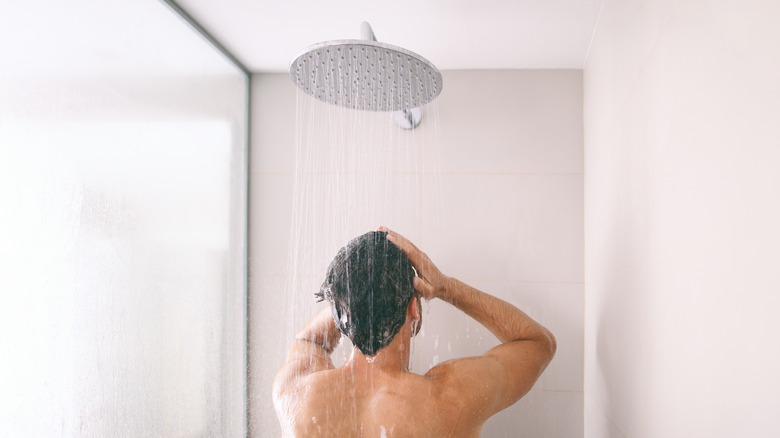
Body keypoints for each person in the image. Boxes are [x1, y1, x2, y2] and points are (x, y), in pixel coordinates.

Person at [273, 227, 556, 437]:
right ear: (414, 308)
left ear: (338, 313)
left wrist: (354, 297)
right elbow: (537, 343)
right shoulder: (450, 397)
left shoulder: (296, 394)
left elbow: (309, 339)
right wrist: (445, 287)